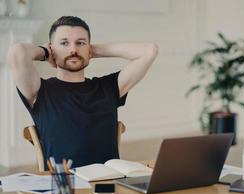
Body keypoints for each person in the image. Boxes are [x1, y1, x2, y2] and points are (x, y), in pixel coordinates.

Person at [7, 16, 158, 169]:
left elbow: (149, 51)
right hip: (65, 186)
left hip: (109, 183)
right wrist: (45, 52)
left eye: (80, 43)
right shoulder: (40, 91)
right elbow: (17, 52)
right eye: (64, 43)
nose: (73, 49)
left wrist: (94, 51)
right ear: (53, 48)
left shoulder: (109, 87)